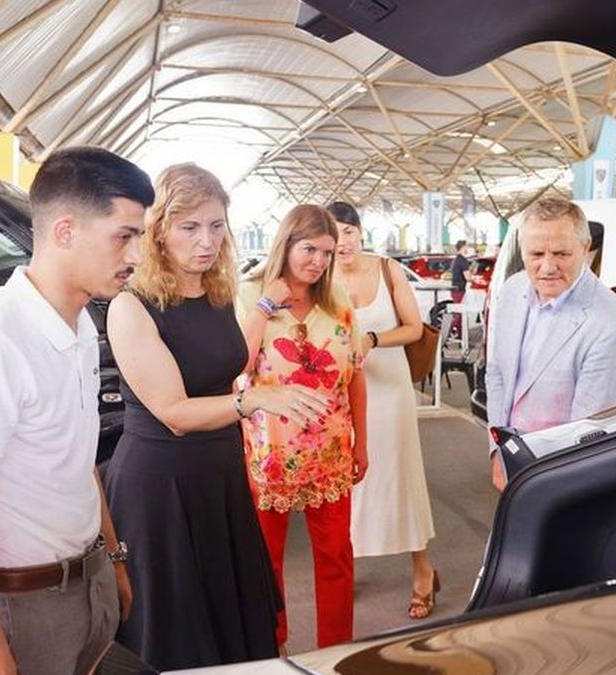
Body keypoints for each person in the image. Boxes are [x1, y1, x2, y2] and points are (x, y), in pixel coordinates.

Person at [0, 147, 154, 675]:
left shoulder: (83, 326)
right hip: (11, 604)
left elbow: (77, 458)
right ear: (64, 231)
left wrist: (111, 560)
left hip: (83, 586)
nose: (136, 255)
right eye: (124, 235)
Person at [103, 164, 324, 669]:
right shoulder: (131, 305)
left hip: (220, 475)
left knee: (228, 620)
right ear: (158, 230)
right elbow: (174, 412)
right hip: (161, 489)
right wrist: (255, 400)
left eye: (216, 226)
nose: (206, 241)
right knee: (178, 629)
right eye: (190, 227)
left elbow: (228, 368)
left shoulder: (218, 294)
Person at [237, 204, 368, 649]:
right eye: (309, 248)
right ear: (286, 244)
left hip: (330, 452)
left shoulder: (338, 303)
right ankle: (273, 648)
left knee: (336, 557)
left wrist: (361, 444)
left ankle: (336, 653)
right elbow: (235, 366)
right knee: (266, 562)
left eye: (327, 252)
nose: (318, 261)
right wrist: (264, 305)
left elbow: (355, 378)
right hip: (268, 454)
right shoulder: (249, 293)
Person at [329, 201, 440, 620]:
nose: (344, 242)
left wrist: (372, 339)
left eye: (350, 231)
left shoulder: (388, 269)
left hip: (389, 389)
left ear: (361, 233)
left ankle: (423, 570)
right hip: (341, 393)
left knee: (398, 478)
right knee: (348, 484)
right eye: (335, 234)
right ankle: (345, 568)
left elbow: (413, 327)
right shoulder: (319, 276)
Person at [485, 196, 616, 491]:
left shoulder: (608, 323)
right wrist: (498, 453)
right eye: (536, 254)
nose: (547, 267)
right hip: (513, 463)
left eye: (561, 254)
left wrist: (540, 482)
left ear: (585, 248)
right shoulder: (513, 290)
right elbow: (497, 374)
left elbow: (590, 431)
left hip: (564, 475)